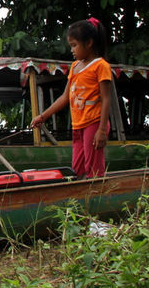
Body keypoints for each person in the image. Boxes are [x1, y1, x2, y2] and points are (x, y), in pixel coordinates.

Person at [30, 17, 113, 178]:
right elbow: (65, 97)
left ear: (89, 43)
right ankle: (80, 198)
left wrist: (102, 130)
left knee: (93, 167)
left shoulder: (101, 66)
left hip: (94, 123)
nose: (72, 50)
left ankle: (98, 196)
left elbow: (106, 99)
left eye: (74, 45)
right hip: (78, 125)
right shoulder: (75, 67)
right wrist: (42, 116)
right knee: (77, 167)